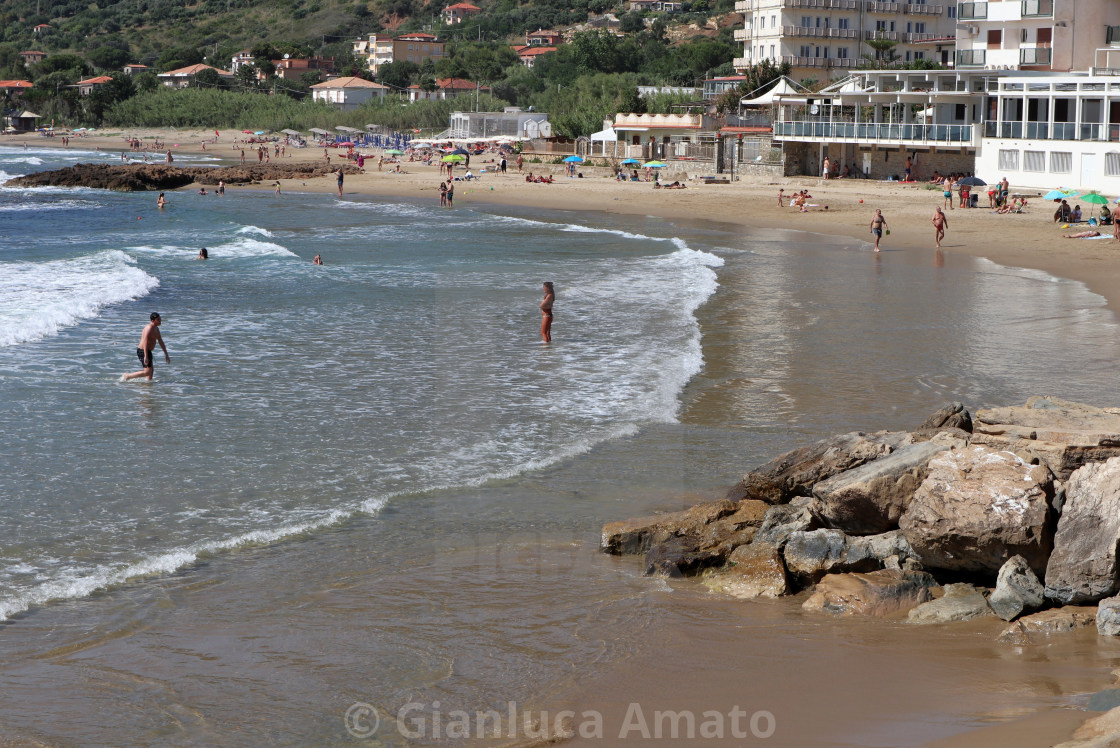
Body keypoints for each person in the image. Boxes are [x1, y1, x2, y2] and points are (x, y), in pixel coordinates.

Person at [122, 313, 169, 381]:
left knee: (150, 373)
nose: (160, 321)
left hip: (148, 351)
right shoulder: (149, 328)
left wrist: (166, 354)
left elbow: (160, 341)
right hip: (143, 351)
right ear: (152, 320)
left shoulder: (156, 329)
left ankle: (147, 388)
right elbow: (145, 341)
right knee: (147, 372)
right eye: (158, 319)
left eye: (160, 319)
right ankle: (127, 376)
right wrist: (146, 356)